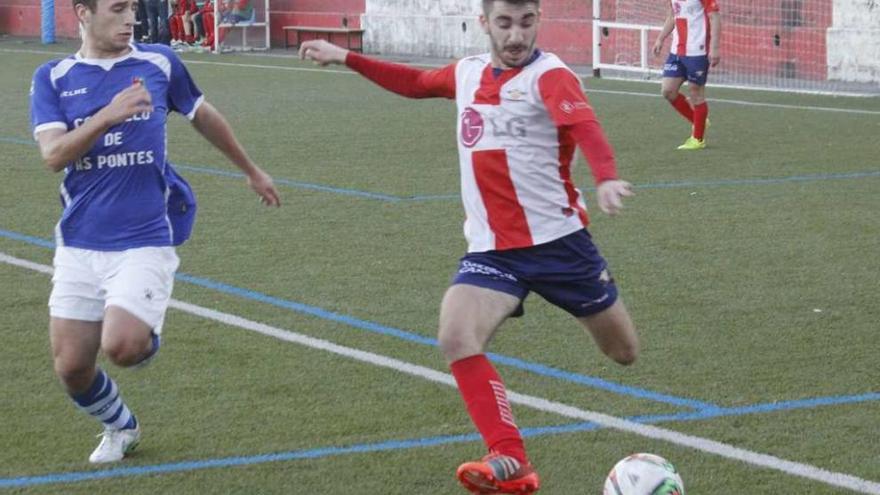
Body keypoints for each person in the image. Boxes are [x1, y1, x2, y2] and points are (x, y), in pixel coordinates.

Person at [300, 1, 638, 493]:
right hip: (492, 252)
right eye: (505, 23)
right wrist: (345, 56)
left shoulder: (551, 76)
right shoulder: (468, 73)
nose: (516, 35)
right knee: (456, 335)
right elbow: (415, 84)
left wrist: (606, 178)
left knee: (623, 352)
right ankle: (510, 456)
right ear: (485, 23)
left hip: (561, 247)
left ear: (537, 21)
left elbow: (585, 127)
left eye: (526, 23)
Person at [29, 0, 280, 464]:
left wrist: (251, 169)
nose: (131, 19)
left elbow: (202, 113)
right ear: (83, 12)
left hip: (144, 237)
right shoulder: (53, 77)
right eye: (118, 9)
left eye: (132, 9)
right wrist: (109, 114)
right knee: (71, 368)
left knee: (123, 347)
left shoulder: (160, 62)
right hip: (79, 241)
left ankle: (143, 333)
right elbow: (53, 155)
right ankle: (121, 426)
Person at [652, 0, 721, 150]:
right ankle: (699, 120)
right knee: (668, 91)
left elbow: (714, 17)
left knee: (696, 93)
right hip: (677, 51)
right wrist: (660, 38)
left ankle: (698, 139)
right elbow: (672, 16)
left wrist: (715, 48)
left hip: (697, 50)